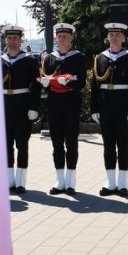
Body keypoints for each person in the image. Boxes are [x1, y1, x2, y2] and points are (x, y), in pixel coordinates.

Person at [90, 22, 128, 196]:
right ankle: (110, 182)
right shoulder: (100, 58)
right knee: (108, 145)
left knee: (123, 145)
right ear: (107, 37)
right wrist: (94, 109)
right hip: (105, 106)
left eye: (117, 35)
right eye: (111, 34)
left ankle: (122, 183)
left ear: (123, 38)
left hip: (123, 105)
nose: (114, 37)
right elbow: (95, 86)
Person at [40, 23, 87, 195]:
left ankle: (71, 181)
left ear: (71, 38)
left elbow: (81, 82)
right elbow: (46, 79)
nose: (62, 38)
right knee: (56, 142)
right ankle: (60, 180)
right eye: (59, 36)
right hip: (54, 104)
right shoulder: (49, 58)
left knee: (71, 142)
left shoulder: (78, 57)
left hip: (71, 103)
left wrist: (69, 82)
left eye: (65, 36)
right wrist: (45, 84)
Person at [2, 25, 40, 193]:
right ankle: (9, 180)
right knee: (5, 144)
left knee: (22, 143)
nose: (12, 41)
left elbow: (36, 85)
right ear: (5, 40)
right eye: (9, 38)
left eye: (15, 38)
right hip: (3, 103)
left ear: (21, 39)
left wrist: (34, 107)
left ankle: (21, 181)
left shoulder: (29, 60)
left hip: (22, 103)